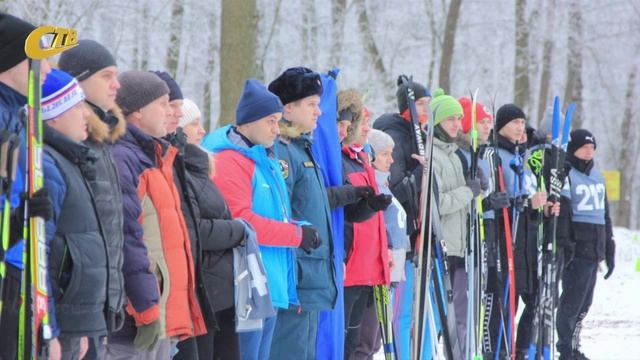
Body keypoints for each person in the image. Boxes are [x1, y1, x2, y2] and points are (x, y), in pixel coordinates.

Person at [201, 79, 321, 360]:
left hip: (266, 284)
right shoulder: (230, 160)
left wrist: (298, 228)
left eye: (278, 121)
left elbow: (273, 214)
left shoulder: (261, 159)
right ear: (250, 121)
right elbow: (242, 221)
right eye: (270, 121)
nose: (276, 129)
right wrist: (295, 236)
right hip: (247, 286)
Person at [108, 70, 205, 359]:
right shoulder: (124, 157)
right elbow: (126, 237)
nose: (171, 112)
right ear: (138, 109)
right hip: (136, 319)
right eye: (164, 103)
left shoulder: (157, 155)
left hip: (159, 312)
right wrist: (144, 307)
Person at [58, 39, 127, 358]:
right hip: (75, 306)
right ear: (78, 79)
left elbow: (110, 229)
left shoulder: (103, 139)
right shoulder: (73, 140)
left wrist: (113, 295)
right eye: (106, 75)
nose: (116, 84)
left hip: (97, 301)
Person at [266, 67, 337, 360]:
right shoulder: (282, 152)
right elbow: (281, 213)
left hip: (311, 276)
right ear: (287, 108)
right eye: (311, 104)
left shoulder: (302, 148)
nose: (318, 112)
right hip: (295, 277)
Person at [40, 69, 109, 360]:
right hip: (60, 324)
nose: (87, 115)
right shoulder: (47, 163)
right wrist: (51, 330)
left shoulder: (69, 159)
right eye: (77, 107)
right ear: (54, 114)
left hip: (74, 322)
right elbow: (41, 254)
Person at [481, 104, 555, 358]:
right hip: (505, 240)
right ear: (502, 126)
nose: (521, 128)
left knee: (533, 300)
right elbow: (495, 201)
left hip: (526, 242)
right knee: (505, 303)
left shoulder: (519, 156)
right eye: (516, 123)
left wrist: (540, 209)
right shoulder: (494, 155)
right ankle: (500, 351)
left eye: (523, 123)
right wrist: (522, 204)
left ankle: (521, 350)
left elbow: (524, 200)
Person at [0, 13, 53, 359]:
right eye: (36, 61)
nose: (45, 71)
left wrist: (24, 218)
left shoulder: (18, 115)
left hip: (16, 268)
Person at [372, 77, 431, 360]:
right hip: (398, 237)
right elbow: (394, 191)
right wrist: (420, 174)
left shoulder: (419, 133)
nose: (425, 110)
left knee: (418, 309)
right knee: (401, 311)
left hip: (417, 235)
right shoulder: (392, 134)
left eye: (427, 104)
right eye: (421, 104)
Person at [429, 89, 485, 354]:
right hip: (441, 248)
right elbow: (437, 204)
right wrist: (468, 191)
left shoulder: (454, 155)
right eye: (450, 118)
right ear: (437, 122)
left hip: (461, 248)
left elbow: (465, 199)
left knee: (461, 317)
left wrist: (479, 187)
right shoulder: (434, 157)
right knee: (441, 318)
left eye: (458, 118)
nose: (456, 124)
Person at [339, 88, 392, 359]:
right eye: (363, 124)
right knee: (345, 342)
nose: (366, 129)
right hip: (351, 265)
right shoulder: (341, 159)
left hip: (367, 266)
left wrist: (385, 253)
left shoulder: (362, 160)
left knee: (357, 341)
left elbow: (374, 217)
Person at [556, 129, 614, 360]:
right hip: (576, 250)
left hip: (594, 249)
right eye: (584, 147)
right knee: (571, 303)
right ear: (573, 149)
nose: (589, 152)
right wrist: (565, 245)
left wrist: (609, 247)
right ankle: (565, 349)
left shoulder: (598, 177)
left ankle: (574, 345)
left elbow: (605, 215)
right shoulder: (566, 174)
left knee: (584, 305)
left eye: (592, 148)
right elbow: (564, 215)